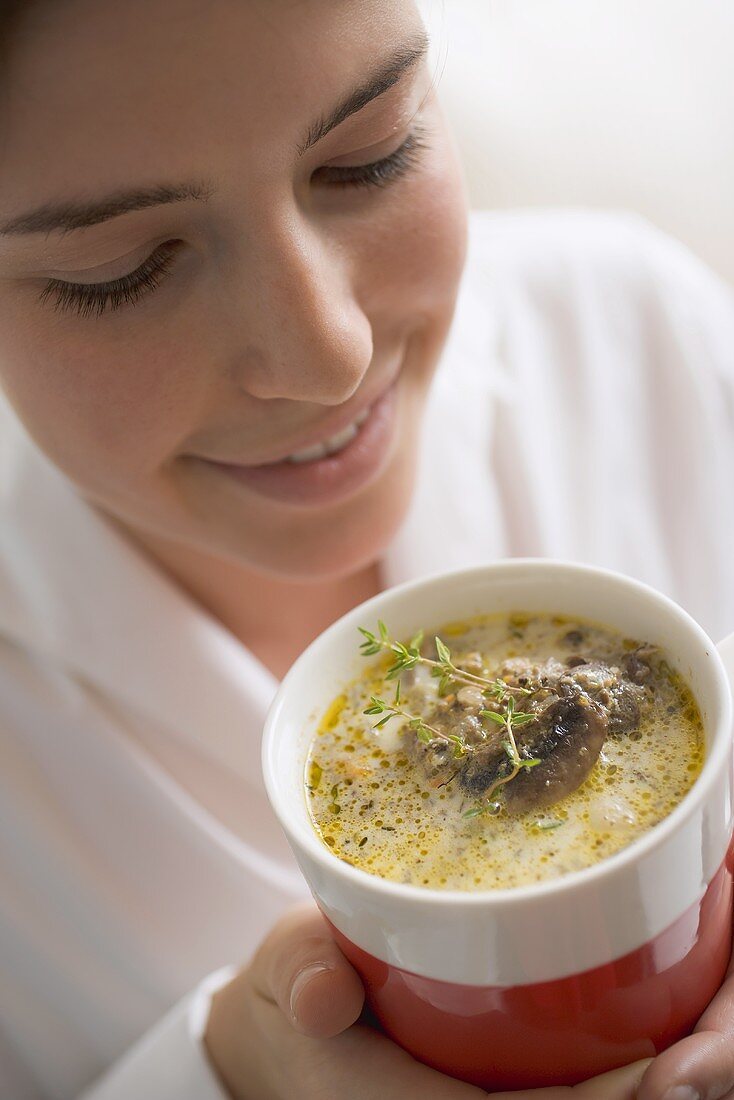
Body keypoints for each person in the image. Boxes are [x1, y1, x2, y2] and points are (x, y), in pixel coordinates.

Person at [0, 1, 733, 1098]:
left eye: (368, 158)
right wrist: (216, 1074)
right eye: (125, 269)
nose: (327, 354)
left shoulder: (637, 338)